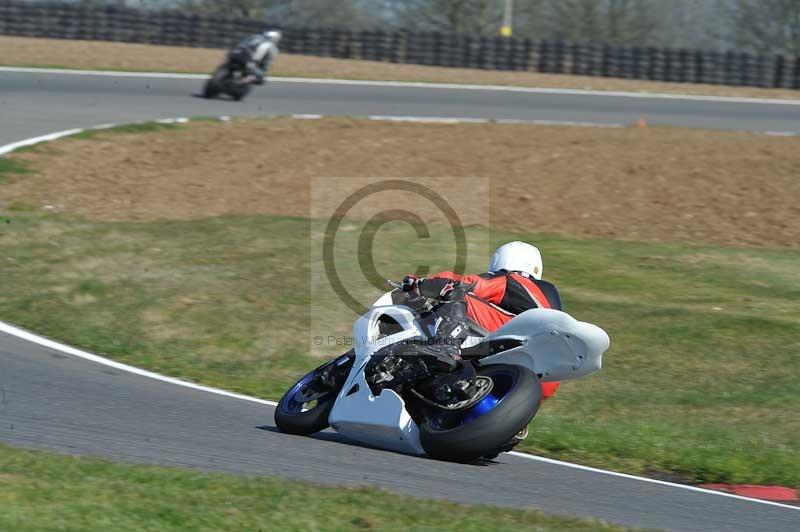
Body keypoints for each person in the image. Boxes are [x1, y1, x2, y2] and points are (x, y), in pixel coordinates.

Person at [402, 241, 562, 402]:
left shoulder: (510, 279)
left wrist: (418, 283)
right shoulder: (549, 295)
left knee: (455, 291)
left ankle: (445, 347)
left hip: (518, 337)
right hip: (544, 379)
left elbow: (464, 284)